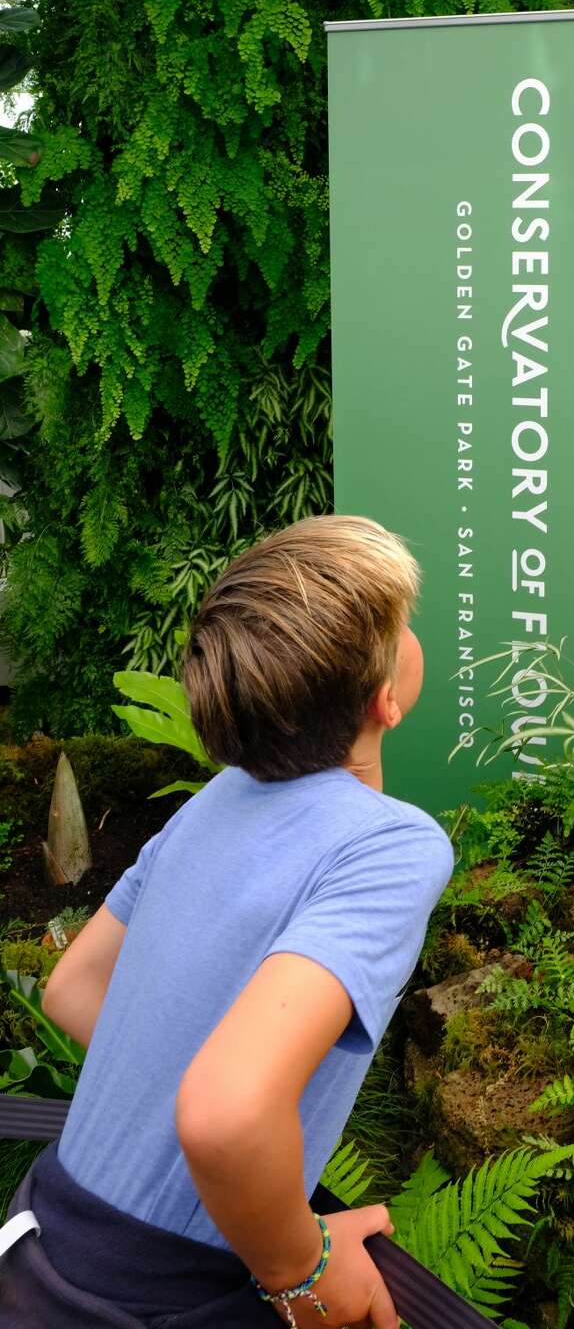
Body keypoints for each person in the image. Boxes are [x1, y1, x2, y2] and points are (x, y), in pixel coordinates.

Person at [0, 514, 455, 1327]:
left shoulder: (219, 798)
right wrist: (302, 1270)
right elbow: (226, 1113)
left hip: (43, 1238)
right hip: (161, 1295)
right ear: (385, 697)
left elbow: (74, 987)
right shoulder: (393, 846)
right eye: (403, 626)